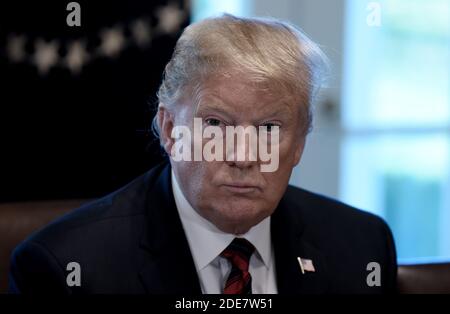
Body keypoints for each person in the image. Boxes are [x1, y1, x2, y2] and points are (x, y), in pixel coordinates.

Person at [8, 14, 397, 294]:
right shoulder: (63, 268)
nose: (244, 157)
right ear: (169, 130)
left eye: (269, 129)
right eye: (215, 124)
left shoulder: (361, 246)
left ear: (300, 143)